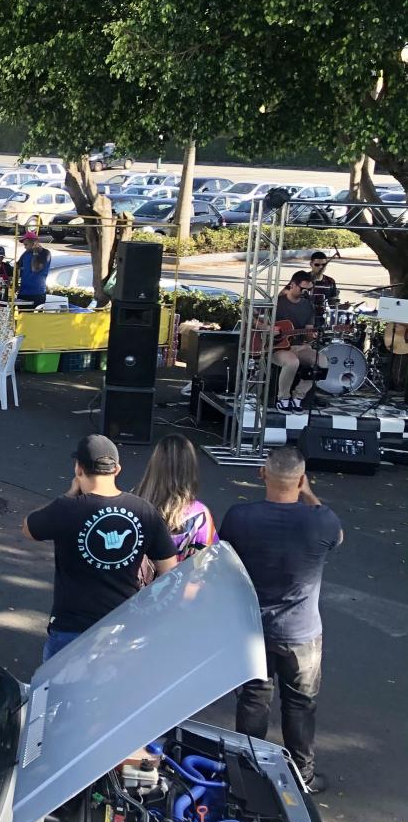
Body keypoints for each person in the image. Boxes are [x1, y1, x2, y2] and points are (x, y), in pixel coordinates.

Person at [220, 446, 342, 794]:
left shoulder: (240, 517)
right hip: (302, 632)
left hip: (252, 629)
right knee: (300, 703)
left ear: (262, 474)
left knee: (254, 699)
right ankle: (302, 776)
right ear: (301, 479)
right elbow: (339, 537)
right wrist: (309, 494)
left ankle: (247, 769)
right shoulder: (321, 520)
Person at [24, 434, 177, 661]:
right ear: (117, 470)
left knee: (59, 694)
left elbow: (29, 528)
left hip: (72, 627)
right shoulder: (144, 510)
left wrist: (67, 495)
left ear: (78, 469)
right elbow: (170, 569)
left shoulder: (67, 508)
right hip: (123, 626)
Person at [133, 433, 217, 563]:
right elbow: (209, 562)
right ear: (190, 469)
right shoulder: (199, 515)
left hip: (134, 581)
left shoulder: (132, 502)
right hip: (178, 582)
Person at [273, 270, 325, 412]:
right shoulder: (276, 303)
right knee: (292, 362)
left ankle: (298, 397)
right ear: (293, 285)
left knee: (321, 361)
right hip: (277, 347)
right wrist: (268, 328)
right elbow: (255, 319)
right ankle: (283, 398)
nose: (306, 292)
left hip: (300, 346)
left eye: (309, 290)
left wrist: (312, 335)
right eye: (303, 289)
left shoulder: (308, 306)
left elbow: (308, 331)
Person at [16, 230, 52, 307]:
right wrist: (16, 283)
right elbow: (17, 266)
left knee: (33, 318)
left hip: (37, 294)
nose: (25, 247)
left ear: (34, 243)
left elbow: (35, 268)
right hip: (23, 292)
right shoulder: (26, 253)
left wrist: (35, 252)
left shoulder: (45, 253)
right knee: (21, 318)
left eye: (26, 244)